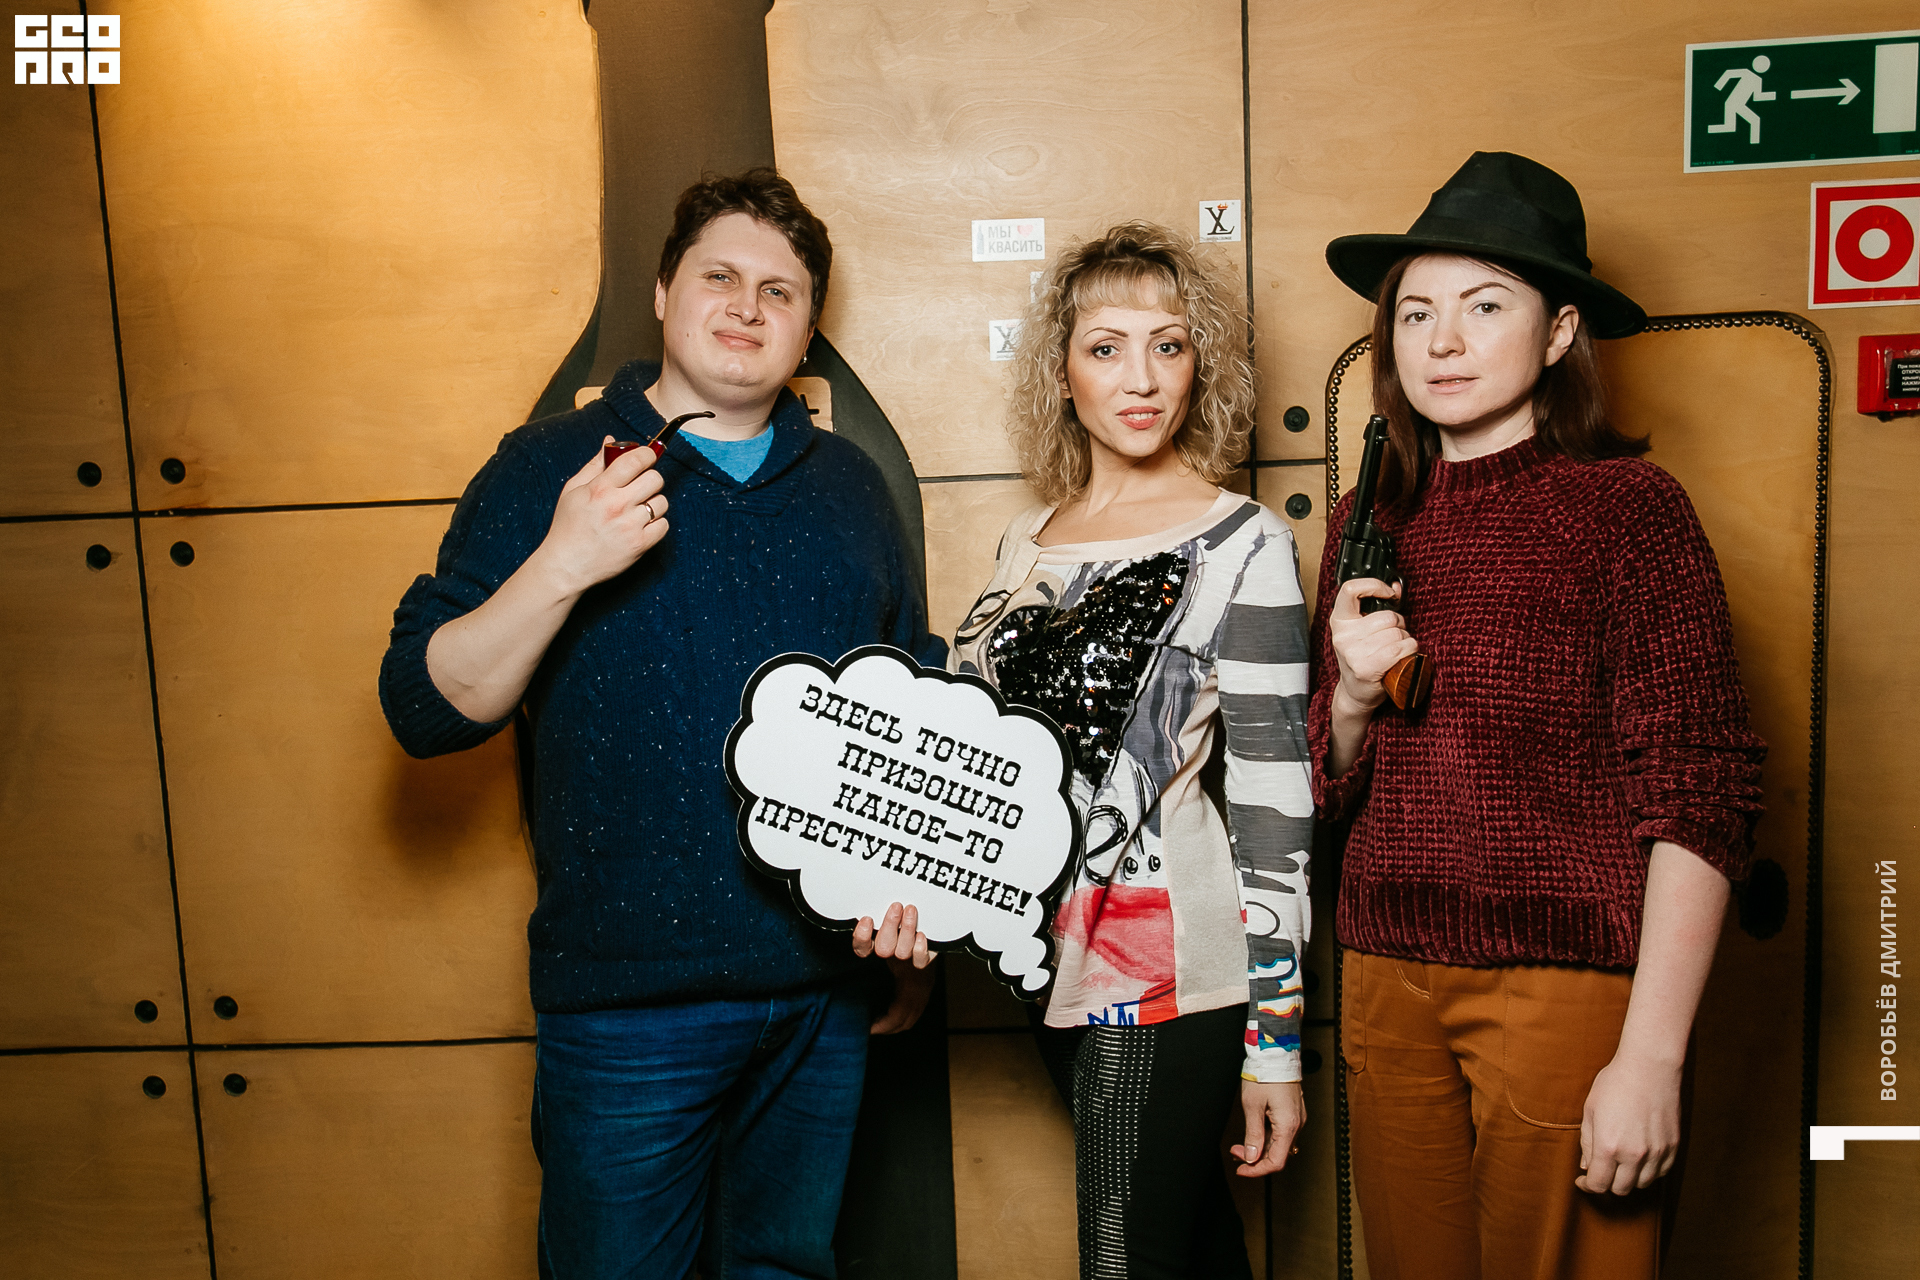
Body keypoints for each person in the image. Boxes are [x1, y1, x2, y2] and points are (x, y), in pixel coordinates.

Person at [378, 168, 940, 1279]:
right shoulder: (545, 466)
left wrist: (919, 930)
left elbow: (912, 721)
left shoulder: (853, 488)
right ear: (662, 292)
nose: (747, 307)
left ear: (808, 327)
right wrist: (565, 559)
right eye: (720, 277)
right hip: (627, 1006)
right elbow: (425, 709)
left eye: (779, 291)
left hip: (821, 996)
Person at [1312, 151, 1766, 1279]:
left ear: (1560, 332)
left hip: (1564, 983)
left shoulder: (1628, 511)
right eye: (1415, 311)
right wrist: (1353, 699)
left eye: (1484, 306)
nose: (1443, 341)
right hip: (1383, 971)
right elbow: (1321, 783)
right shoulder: (1366, 519)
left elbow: (1703, 788)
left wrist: (1652, 1055)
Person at [865, 221, 1312, 1279]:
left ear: (1202, 363)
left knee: (1122, 1257)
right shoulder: (1026, 540)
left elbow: (1275, 810)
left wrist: (1278, 1042)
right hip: (1045, 960)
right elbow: (965, 766)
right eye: (1106, 347)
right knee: (1188, 1248)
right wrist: (917, 915)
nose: (1140, 378)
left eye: (1169, 344)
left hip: (1168, 966)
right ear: (1062, 373)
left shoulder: (1244, 540)